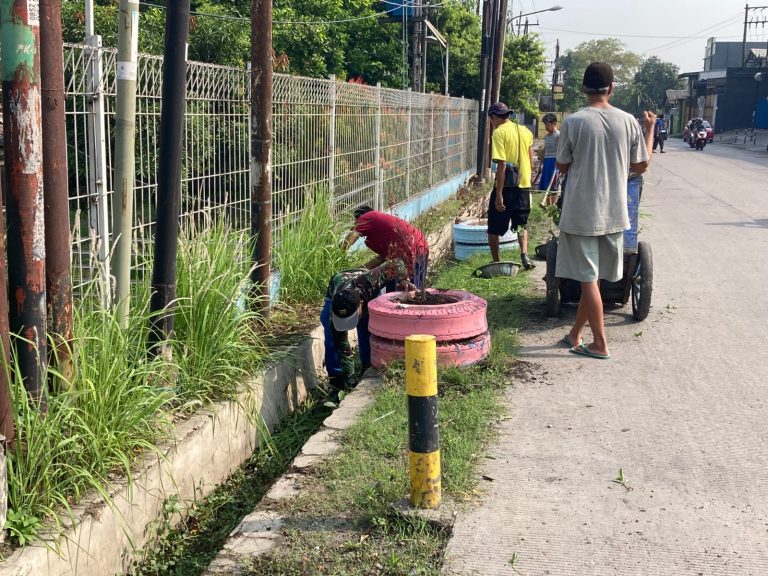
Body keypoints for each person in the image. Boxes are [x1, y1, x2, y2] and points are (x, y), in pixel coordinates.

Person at [555, 62, 655, 359]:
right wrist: (649, 130)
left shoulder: (574, 122)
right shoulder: (628, 121)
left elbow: (561, 165)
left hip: (582, 214)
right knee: (593, 281)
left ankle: (599, 344)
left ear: (583, 90)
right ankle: (575, 333)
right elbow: (642, 165)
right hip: (615, 214)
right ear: (611, 89)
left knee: (588, 281)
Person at [320, 258, 410, 397]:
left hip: (365, 288)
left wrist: (404, 280)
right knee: (332, 338)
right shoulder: (335, 313)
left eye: (351, 318)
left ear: (360, 305)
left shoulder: (370, 281)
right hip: (338, 283)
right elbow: (343, 349)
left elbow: (396, 262)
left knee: (367, 331)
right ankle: (336, 382)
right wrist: (349, 382)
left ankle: (368, 367)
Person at [487, 101, 536, 269]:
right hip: (524, 185)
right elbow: (530, 161)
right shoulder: (525, 131)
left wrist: (499, 194)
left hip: (507, 186)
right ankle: (524, 255)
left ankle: (496, 262)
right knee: (521, 223)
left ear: (493, 117)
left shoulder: (499, 133)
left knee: (493, 227)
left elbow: (501, 165)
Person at [342, 206, 429, 288]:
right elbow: (383, 258)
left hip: (411, 250)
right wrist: (360, 269)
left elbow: (349, 240)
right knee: (413, 291)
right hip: (421, 247)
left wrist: (339, 253)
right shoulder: (380, 231)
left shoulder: (368, 216)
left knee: (406, 293)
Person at [538, 113, 560, 207]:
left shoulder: (558, 135)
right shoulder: (547, 136)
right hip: (547, 162)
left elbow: (561, 150)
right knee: (547, 183)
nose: (546, 127)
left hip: (555, 162)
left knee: (553, 184)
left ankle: (553, 205)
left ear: (554, 123)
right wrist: (541, 164)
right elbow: (545, 151)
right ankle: (547, 204)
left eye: (547, 124)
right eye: (545, 125)